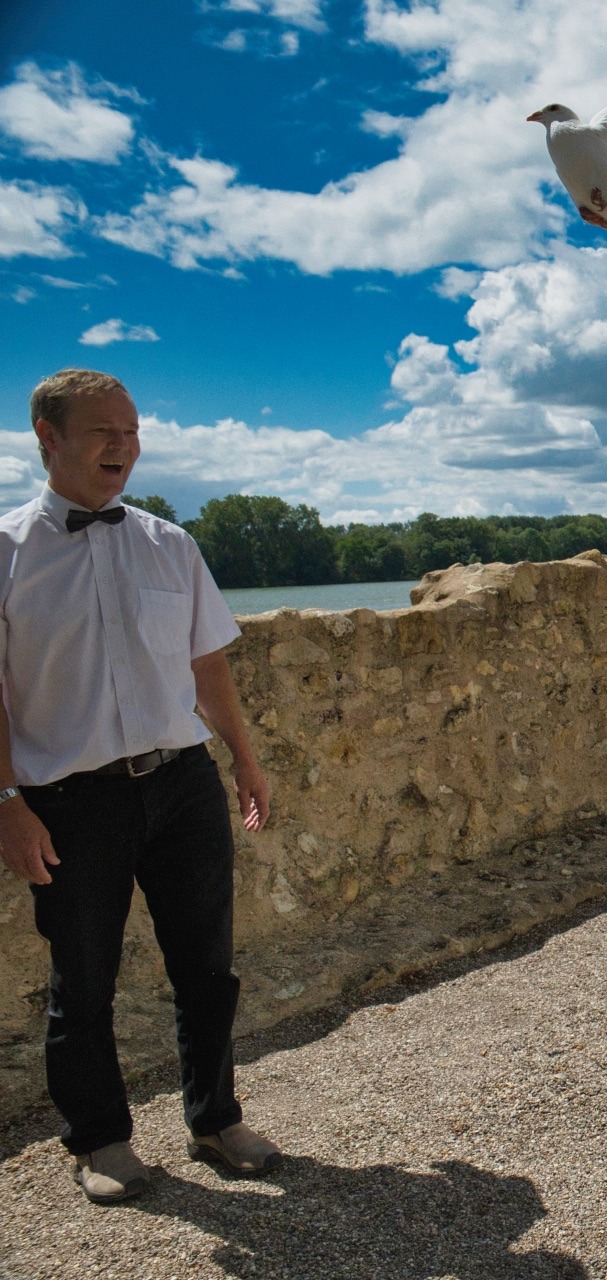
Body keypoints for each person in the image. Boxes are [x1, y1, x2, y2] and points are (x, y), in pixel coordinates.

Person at [0, 369, 281, 1204]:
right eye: (101, 431)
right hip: (70, 801)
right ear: (48, 439)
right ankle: (101, 1141)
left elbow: (206, 664)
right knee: (82, 979)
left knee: (207, 968)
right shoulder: (6, 551)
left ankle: (215, 1118)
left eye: (131, 429)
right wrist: (6, 804)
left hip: (182, 782)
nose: (122, 445)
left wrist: (245, 758)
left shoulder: (170, 543)